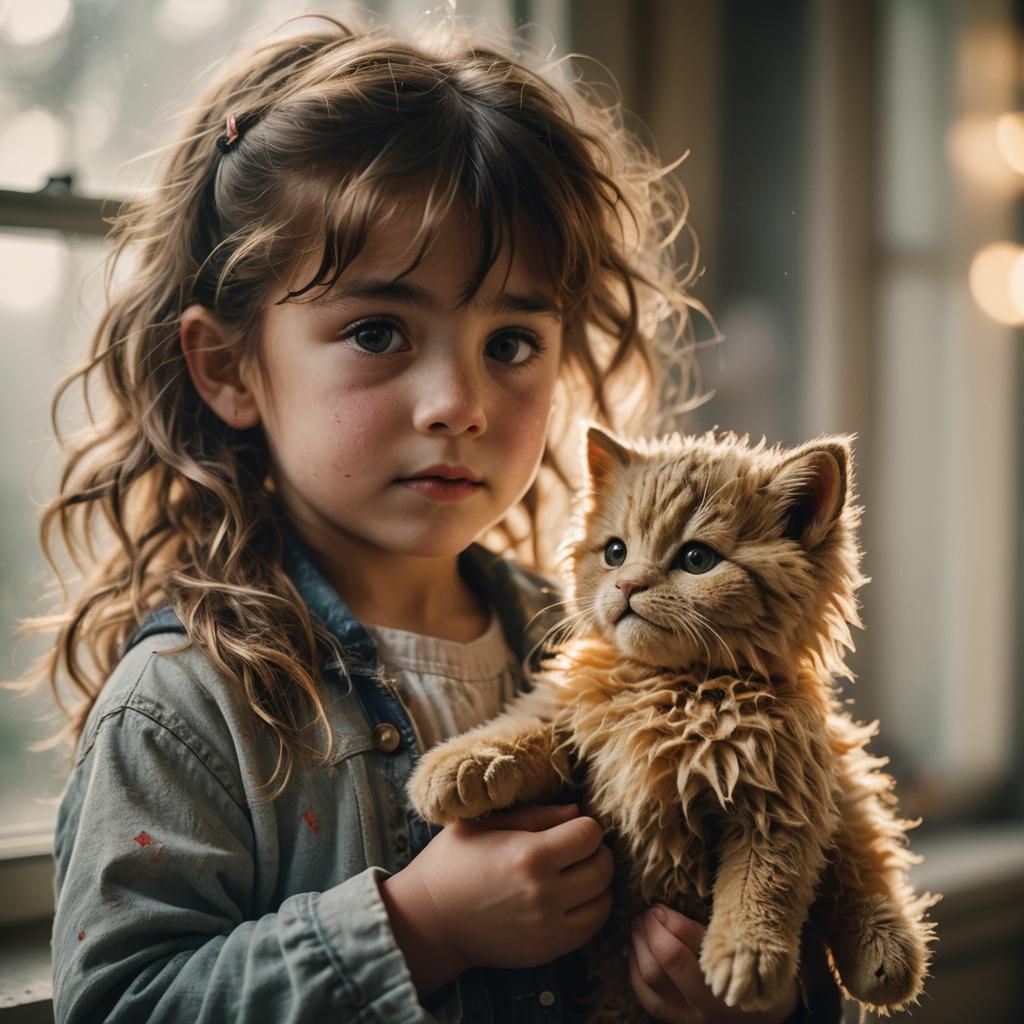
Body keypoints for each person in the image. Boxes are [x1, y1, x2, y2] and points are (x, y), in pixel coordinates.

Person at [20, 8, 835, 1022]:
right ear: (229, 367)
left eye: (510, 343)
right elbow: (121, 1004)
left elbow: (791, 900)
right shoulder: (187, 705)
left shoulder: (596, 651)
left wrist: (743, 998)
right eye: (376, 330)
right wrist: (416, 927)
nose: (460, 400)